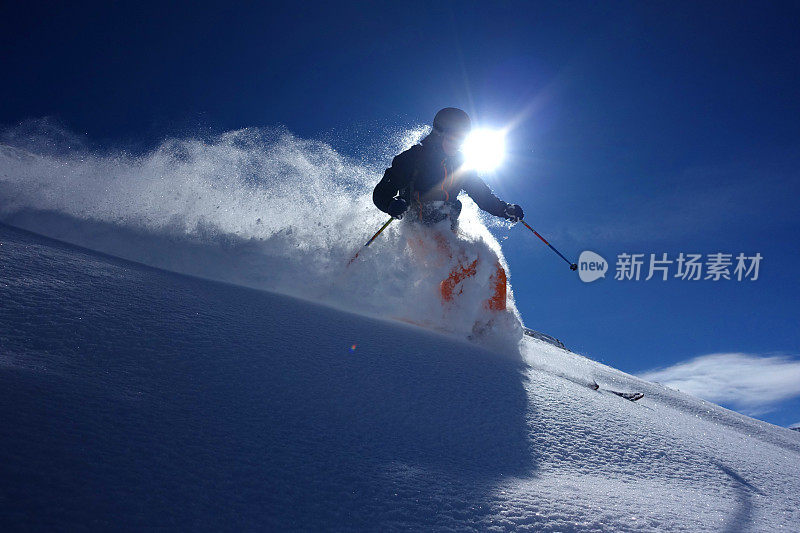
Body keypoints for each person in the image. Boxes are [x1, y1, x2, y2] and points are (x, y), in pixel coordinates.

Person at [372, 107, 524, 311]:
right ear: (438, 133)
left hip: (447, 228)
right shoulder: (413, 159)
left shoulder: (461, 165)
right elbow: (381, 192)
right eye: (454, 137)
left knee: (493, 269)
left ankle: (490, 327)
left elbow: (482, 196)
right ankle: (449, 325)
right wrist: (391, 204)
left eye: (463, 139)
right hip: (420, 228)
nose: (458, 144)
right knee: (459, 264)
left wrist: (504, 209)